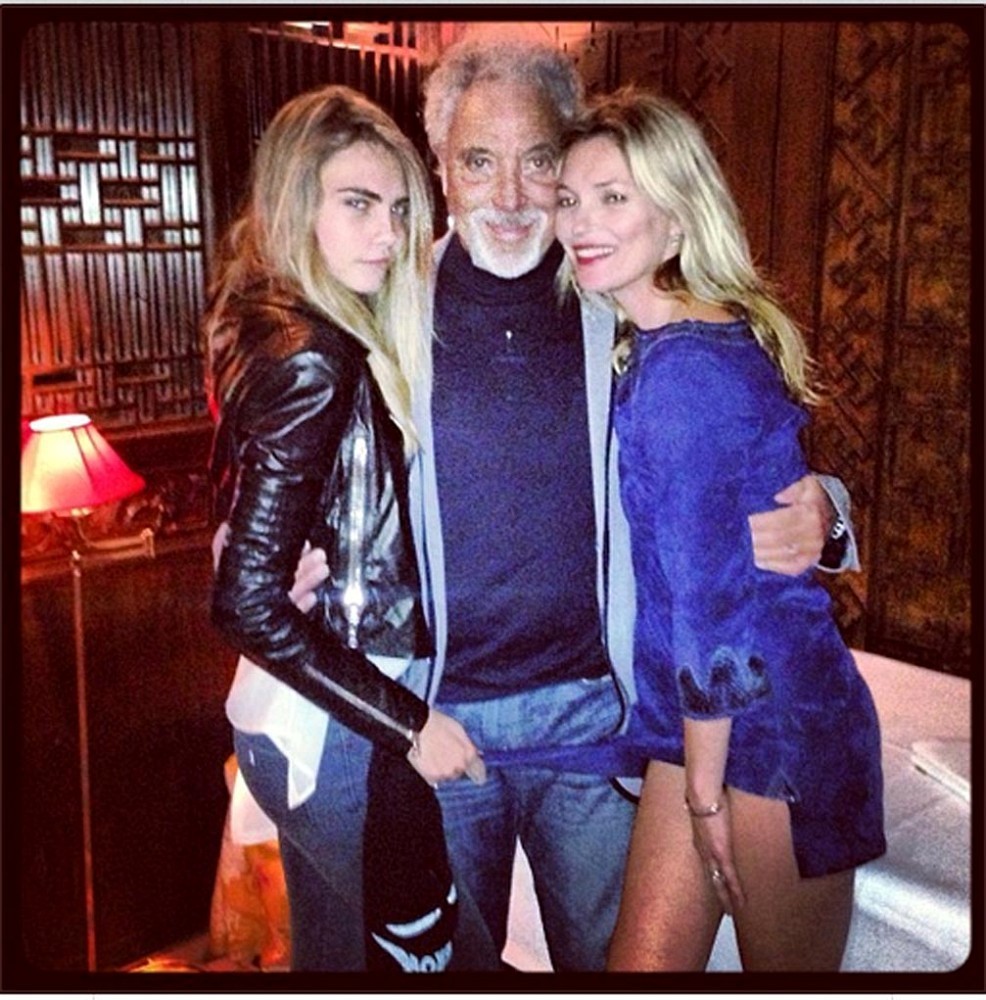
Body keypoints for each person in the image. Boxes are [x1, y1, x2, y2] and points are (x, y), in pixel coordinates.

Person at [284, 36, 857, 972]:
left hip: (597, 722)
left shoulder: (617, 294)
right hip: (440, 724)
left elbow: (739, 440)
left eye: (539, 161)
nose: (511, 196)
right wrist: (256, 544)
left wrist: (828, 513)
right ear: (440, 167)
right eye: (480, 161)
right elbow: (293, 432)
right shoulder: (379, 305)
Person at [554, 88, 885, 971]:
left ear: (675, 218)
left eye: (613, 196)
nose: (580, 222)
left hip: (770, 721)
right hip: (693, 714)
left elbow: (711, 606)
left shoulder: (683, 371)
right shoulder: (660, 336)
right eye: (570, 199)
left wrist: (704, 794)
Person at [205, 84, 494, 972]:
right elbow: (244, 602)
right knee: (450, 964)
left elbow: (246, 521)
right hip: (341, 735)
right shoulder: (313, 357)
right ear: (299, 204)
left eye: (400, 209)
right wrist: (410, 725)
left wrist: (240, 544)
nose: (389, 235)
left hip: (292, 718)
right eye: (358, 204)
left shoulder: (274, 321)